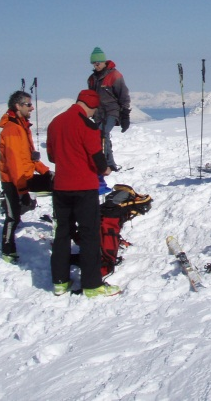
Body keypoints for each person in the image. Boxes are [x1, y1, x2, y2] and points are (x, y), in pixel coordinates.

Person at [45, 89, 119, 297]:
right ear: (92, 106)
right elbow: (97, 159)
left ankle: (60, 281)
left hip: (60, 187)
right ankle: (92, 284)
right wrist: (105, 169)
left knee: (62, 234)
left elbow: (51, 156)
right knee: (89, 235)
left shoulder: (55, 122)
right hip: (84, 187)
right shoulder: (88, 126)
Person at [0, 90, 54, 263]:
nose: (32, 108)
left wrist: (45, 171)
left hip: (25, 177)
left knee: (58, 183)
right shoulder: (12, 130)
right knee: (13, 217)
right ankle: (8, 250)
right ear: (17, 106)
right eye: (28, 104)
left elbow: (28, 157)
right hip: (13, 180)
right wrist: (22, 191)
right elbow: (14, 164)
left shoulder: (22, 126)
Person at [86, 47, 131, 172]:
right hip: (98, 114)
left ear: (104, 61)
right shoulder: (92, 78)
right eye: (93, 64)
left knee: (102, 134)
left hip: (112, 111)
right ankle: (110, 164)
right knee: (101, 136)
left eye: (97, 63)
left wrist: (125, 115)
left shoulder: (115, 76)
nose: (96, 66)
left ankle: (106, 165)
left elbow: (123, 95)